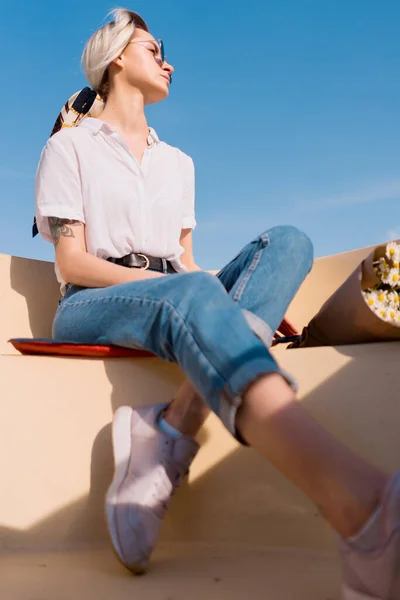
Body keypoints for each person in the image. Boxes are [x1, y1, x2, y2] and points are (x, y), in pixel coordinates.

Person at [34, 8, 399, 599]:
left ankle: (171, 429)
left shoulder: (180, 164)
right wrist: (193, 293)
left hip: (176, 289)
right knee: (195, 292)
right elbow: (71, 263)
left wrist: (238, 300)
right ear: (118, 57)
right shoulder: (70, 148)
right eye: (155, 49)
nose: (169, 61)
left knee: (290, 243)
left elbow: (188, 262)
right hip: (90, 299)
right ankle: (362, 509)